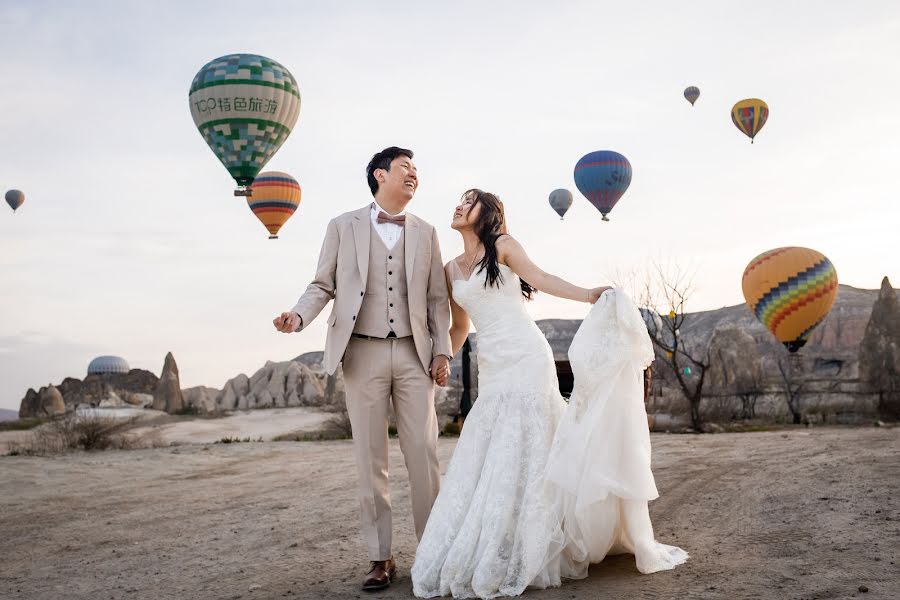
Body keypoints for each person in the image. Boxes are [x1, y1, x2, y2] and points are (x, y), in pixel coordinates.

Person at [411, 189, 688, 598]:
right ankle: (503, 537)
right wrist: (443, 358)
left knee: (532, 438)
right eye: (459, 199)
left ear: (486, 214)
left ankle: (544, 536)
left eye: (468, 201)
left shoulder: (503, 246)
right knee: (494, 446)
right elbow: (459, 327)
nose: (458, 204)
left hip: (526, 354)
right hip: (492, 364)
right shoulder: (450, 269)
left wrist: (587, 294)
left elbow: (540, 279)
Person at [273, 147, 452, 592]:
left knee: (424, 456)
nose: (414, 175)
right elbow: (322, 284)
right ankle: (380, 558)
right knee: (370, 458)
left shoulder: (427, 232)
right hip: (362, 352)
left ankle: (433, 552)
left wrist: (443, 351)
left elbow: (436, 299)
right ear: (380, 175)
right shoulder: (342, 226)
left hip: (414, 354)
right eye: (405, 168)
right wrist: (298, 317)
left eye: (417, 170)